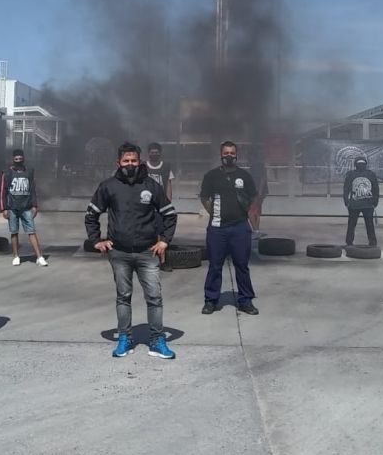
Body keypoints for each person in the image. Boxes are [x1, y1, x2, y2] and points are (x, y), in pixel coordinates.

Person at [85, 142, 178, 359]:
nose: (130, 164)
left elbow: (169, 214)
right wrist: (96, 240)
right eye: (126, 161)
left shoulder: (151, 186)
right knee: (123, 296)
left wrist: (164, 240)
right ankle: (125, 338)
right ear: (118, 163)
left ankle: (157, 340)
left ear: (140, 162)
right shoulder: (108, 186)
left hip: (148, 252)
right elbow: (91, 215)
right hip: (120, 254)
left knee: (154, 297)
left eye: (134, 161)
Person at [199, 141, 259, 315]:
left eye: (232, 153)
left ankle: (245, 300)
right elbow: (204, 197)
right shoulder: (211, 176)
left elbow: (254, 198)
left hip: (240, 228)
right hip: (217, 229)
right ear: (221, 154)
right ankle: (211, 300)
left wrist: (250, 217)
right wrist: (215, 213)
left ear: (237, 155)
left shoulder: (245, 176)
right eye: (226, 153)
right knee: (215, 266)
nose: (229, 156)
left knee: (242, 266)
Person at [0, 149, 47, 267]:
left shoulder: (29, 172)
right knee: (14, 232)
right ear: (13, 160)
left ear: (24, 159)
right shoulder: (7, 173)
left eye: (20, 159)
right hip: (12, 208)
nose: (18, 161)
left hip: (26, 207)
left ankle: (39, 257)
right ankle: (16, 256)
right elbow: (2, 192)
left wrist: (35, 205)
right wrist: (3, 208)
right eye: (16, 159)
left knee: (31, 232)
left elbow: (33, 190)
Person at [342, 155, 379, 246]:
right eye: (360, 164)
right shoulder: (370, 174)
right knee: (368, 225)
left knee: (353, 224)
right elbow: (376, 189)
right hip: (364, 204)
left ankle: (350, 242)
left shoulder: (351, 174)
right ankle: (372, 243)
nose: (361, 166)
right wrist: (375, 201)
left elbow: (346, 189)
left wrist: (347, 202)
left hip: (359, 205)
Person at [247, 148, 270, 238]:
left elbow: (262, 179)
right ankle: (257, 230)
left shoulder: (257, 166)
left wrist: (259, 191)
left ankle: (256, 230)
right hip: (260, 191)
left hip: (256, 191)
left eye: (249, 157)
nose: (248, 159)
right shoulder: (258, 165)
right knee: (256, 211)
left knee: (251, 211)